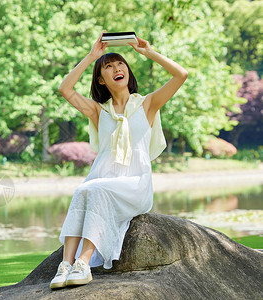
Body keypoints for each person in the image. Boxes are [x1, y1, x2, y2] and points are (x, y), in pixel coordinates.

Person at [49, 30, 188, 289]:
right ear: (101, 80)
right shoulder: (97, 111)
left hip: (135, 184)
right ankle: (65, 267)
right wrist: (92, 56)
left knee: (95, 189)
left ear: (127, 71)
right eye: (108, 67)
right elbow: (64, 88)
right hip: (101, 180)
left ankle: (83, 263)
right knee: (83, 189)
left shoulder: (147, 104)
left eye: (120, 63)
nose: (116, 69)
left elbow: (181, 75)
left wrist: (149, 52)